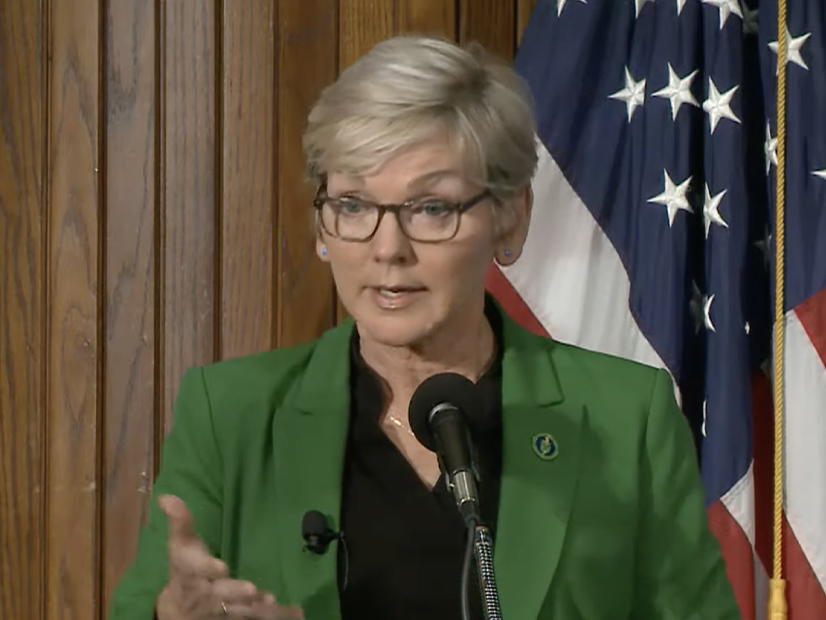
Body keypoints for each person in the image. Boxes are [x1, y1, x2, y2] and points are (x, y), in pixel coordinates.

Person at [109, 35, 740, 620]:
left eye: (430, 207)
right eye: (353, 205)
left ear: (510, 219)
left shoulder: (625, 418)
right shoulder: (231, 414)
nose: (388, 248)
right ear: (325, 226)